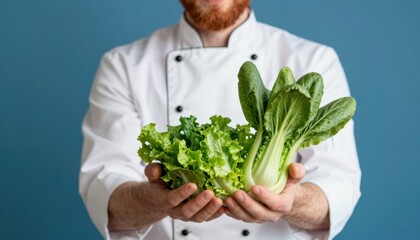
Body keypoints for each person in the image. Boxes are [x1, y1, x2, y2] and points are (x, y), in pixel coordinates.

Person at [79, 0, 361, 239]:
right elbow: (104, 194)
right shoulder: (123, 66)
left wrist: (292, 201)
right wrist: (154, 201)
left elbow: (337, 191)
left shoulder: (313, 60)